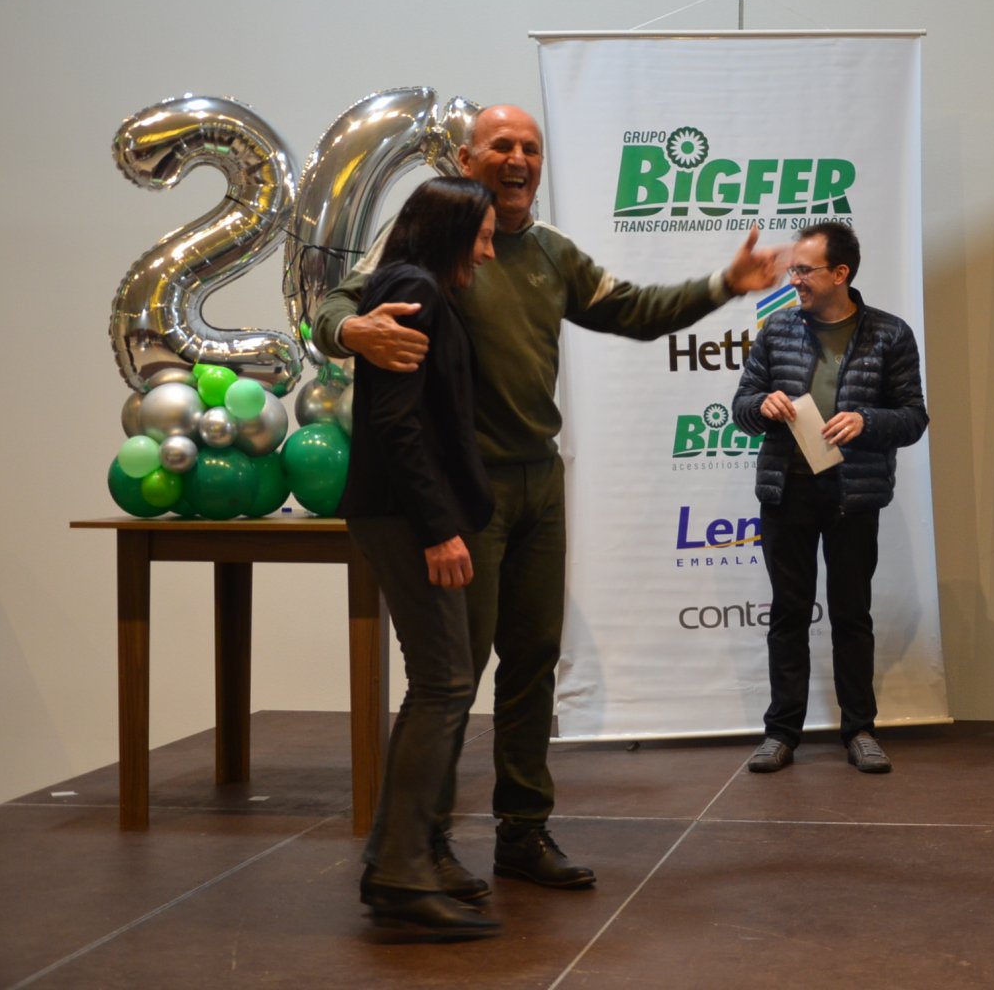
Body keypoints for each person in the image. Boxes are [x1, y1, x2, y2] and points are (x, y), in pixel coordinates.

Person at [314, 105, 789, 889]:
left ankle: (523, 832)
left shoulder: (552, 253)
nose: (518, 158)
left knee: (532, 662)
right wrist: (349, 333)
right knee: (452, 675)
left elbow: (635, 311)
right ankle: (423, 846)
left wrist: (725, 284)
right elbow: (338, 303)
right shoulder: (433, 243)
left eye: (530, 148)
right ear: (467, 160)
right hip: (464, 494)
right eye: (501, 145)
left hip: (540, 481)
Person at [339, 177, 500, 937]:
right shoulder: (413, 290)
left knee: (441, 681)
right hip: (404, 516)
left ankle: (398, 858)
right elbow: (397, 423)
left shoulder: (418, 286)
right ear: (450, 231)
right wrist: (439, 528)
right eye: (483, 235)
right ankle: (401, 872)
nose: (489, 251)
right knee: (444, 683)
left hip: (406, 512)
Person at [730, 221, 929, 775]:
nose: (793, 279)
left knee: (851, 614)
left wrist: (866, 421)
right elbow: (741, 405)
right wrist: (761, 406)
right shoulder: (776, 329)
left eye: (804, 270)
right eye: (793, 269)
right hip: (786, 491)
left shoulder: (889, 334)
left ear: (840, 273)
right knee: (788, 614)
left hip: (852, 494)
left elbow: (914, 417)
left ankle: (860, 730)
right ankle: (781, 733)